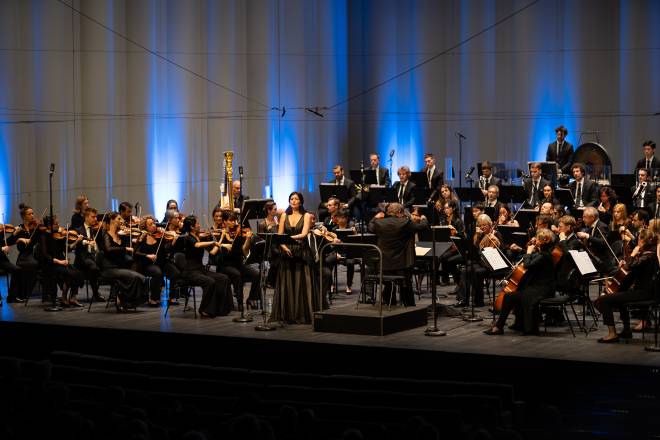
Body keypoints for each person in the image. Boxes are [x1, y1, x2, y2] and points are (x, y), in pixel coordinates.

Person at [485, 228, 557, 335]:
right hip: (536, 287)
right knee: (514, 293)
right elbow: (532, 258)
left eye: (537, 239)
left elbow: (528, 264)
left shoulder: (545, 256)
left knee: (510, 296)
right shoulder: (543, 253)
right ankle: (508, 324)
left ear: (541, 241)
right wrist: (524, 251)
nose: (534, 240)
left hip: (542, 290)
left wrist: (528, 252)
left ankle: (500, 326)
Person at [594, 229, 658, 342]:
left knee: (605, 300)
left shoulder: (648, 256)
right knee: (619, 297)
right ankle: (627, 331)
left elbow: (631, 267)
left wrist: (632, 255)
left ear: (642, 241)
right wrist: (627, 262)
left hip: (644, 292)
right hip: (644, 290)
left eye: (638, 239)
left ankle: (612, 334)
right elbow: (631, 269)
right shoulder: (648, 254)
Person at [271, 192, 322, 324]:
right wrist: (284, 246)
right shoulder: (283, 216)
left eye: (296, 199)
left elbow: (304, 234)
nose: (293, 201)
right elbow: (279, 235)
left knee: (302, 282)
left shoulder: (306, 216)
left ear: (301, 201)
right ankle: (288, 315)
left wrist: (287, 239)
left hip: (301, 252)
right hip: (287, 252)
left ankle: (303, 314)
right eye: (291, 199)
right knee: (287, 283)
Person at [368, 203, 428, 306]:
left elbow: (370, 226)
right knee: (405, 285)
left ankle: (390, 305)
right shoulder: (405, 222)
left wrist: (375, 217)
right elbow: (422, 227)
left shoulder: (379, 223)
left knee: (388, 284)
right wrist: (423, 218)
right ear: (400, 212)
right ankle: (409, 307)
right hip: (401, 263)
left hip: (385, 263)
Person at [180, 215, 233, 317]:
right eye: (198, 224)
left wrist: (219, 240)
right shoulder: (188, 238)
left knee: (224, 278)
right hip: (190, 271)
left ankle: (220, 309)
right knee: (210, 282)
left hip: (200, 269)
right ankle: (204, 309)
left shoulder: (197, 236)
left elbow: (211, 250)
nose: (199, 225)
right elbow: (197, 245)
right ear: (192, 227)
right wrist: (213, 241)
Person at [98, 212, 146, 312]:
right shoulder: (105, 234)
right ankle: (124, 302)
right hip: (109, 269)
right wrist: (125, 248)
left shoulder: (122, 236)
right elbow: (108, 249)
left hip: (119, 268)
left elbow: (132, 250)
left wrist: (139, 239)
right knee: (134, 277)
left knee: (140, 277)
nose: (122, 221)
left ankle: (127, 302)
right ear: (112, 220)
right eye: (119, 219)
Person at [214, 212, 261, 310]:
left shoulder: (239, 234)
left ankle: (251, 298)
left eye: (235, 220)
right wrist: (222, 242)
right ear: (225, 221)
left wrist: (248, 239)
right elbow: (215, 248)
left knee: (257, 274)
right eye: (231, 220)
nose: (234, 223)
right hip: (225, 265)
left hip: (238, 263)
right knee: (237, 275)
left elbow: (244, 250)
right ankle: (240, 302)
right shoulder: (219, 234)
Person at [453, 214, 502, 308]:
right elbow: (474, 251)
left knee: (476, 271)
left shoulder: (496, 235)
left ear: (490, 225)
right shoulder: (479, 235)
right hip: (480, 262)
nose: (482, 227)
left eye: (485, 225)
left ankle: (478, 300)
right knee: (465, 271)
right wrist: (477, 238)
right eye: (480, 225)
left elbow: (500, 251)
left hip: (491, 265)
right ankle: (463, 299)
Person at [38, 215, 85, 307]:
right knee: (72, 274)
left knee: (78, 273)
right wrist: (60, 262)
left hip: (62, 262)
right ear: (49, 225)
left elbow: (67, 249)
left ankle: (72, 298)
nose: (58, 226)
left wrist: (76, 241)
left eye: (58, 223)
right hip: (51, 264)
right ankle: (64, 298)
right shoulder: (43, 236)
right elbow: (45, 255)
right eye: (56, 224)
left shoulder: (59, 236)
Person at [5, 203, 40, 303]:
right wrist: (15, 235)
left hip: (33, 254)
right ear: (24, 216)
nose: (32, 215)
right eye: (30, 214)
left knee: (38, 264)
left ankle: (28, 293)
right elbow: (8, 242)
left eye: (33, 213)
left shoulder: (34, 227)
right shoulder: (19, 228)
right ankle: (20, 294)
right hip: (24, 256)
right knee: (31, 265)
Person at [74, 207, 105, 302]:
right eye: (93, 217)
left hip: (93, 257)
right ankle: (96, 293)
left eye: (96, 217)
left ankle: (113, 295)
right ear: (86, 217)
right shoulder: (78, 230)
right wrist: (85, 242)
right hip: (83, 258)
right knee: (93, 268)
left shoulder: (95, 230)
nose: (96, 219)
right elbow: (77, 245)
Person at [134, 216, 166, 306]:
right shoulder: (142, 237)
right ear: (145, 227)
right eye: (150, 224)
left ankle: (159, 297)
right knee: (157, 272)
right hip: (144, 264)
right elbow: (135, 253)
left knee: (163, 268)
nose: (154, 225)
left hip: (156, 263)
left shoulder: (158, 236)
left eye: (154, 223)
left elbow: (164, 251)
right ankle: (153, 298)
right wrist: (147, 255)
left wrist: (164, 236)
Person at [576, 207, 616, 274]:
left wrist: (587, 236)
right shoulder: (591, 227)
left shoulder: (602, 226)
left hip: (602, 262)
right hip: (595, 259)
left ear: (592, 217)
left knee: (579, 270)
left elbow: (603, 242)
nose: (583, 219)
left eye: (585, 217)